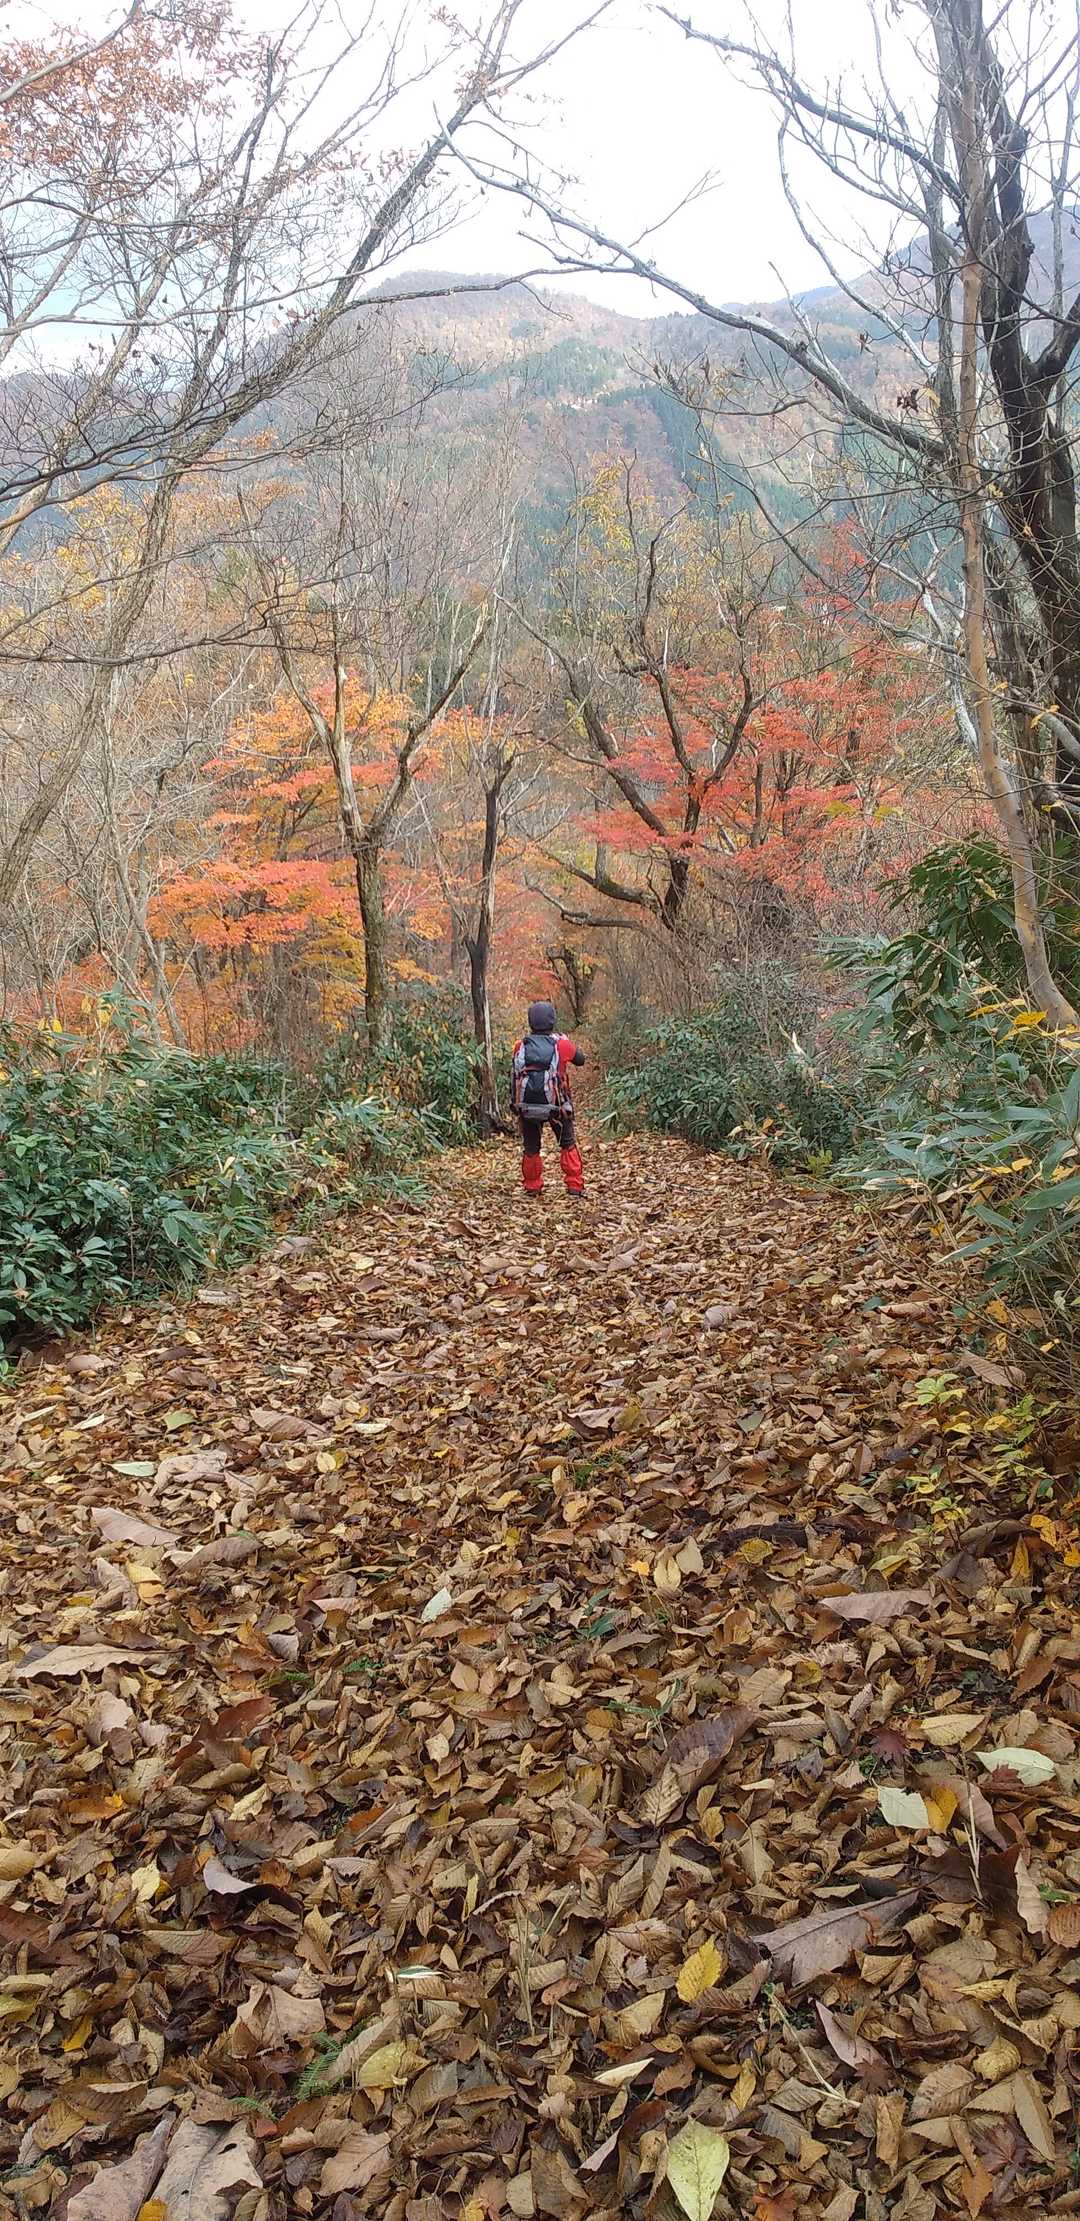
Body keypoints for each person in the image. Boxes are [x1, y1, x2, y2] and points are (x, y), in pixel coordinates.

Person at [510, 1000, 585, 1199]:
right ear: (552, 1020)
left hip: (527, 1105)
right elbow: (581, 1060)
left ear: (531, 1021)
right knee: (567, 1142)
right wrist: (566, 1041)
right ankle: (574, 1186)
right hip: (557, 1105)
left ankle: (532, 1186)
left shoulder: (519, 1046)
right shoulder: (562, 1044)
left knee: (531, 1147)